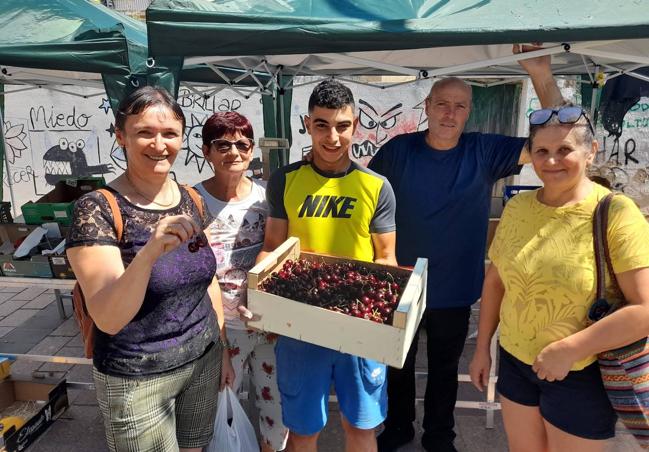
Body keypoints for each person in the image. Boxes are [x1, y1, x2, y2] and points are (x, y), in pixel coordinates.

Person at [368, 44, 564, 452]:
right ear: (427, 106)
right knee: (396, 366)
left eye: (459, 106)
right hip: (399, 284)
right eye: (442, 104)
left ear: (469, 111)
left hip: (455, 289)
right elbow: (365, 209)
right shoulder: (396, 152)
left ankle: (439, 437)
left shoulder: (484, 150)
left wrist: (541, 76)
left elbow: (557, 138)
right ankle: (398, 428)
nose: (449, 114)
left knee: (443, 370)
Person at [469, 104, 649, 451]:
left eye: (564, 150)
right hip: (515, 361)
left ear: (590, 152)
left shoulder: (615, 213)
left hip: (581, 370)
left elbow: (644, 310)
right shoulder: (518, 207)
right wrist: (482, 349)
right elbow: (496, 280)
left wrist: (570, 349)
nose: (551, 161)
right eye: (542, 152)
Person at [66, 86, 234, 452]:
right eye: (145, 132)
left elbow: (208, 282)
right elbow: (109, 318)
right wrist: (149, 253)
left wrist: (221, 346)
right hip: (137, 378)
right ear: (121, 137)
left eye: (170, 134)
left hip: (202, 359)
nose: (159, 144)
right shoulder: (96, 209)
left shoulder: (189, 198)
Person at [241, 79, 397, 452]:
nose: (333, 137)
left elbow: (386, 259)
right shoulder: (285, 180)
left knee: (360, 426)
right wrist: (257, 294)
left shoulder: (377, 186)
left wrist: (388, 319)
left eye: (342, 126)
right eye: (322, 125)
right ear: (308, 125)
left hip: (359, 327)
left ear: (355, 125)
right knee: (303, 430)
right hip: (300, 326)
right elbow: (272, 248)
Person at [195, 111, 289, 452]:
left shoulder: (267, 197)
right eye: (222, 144)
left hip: (268, 326)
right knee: (220, 411)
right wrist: (218, 341)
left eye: (242, 144)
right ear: (206, 151)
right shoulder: (192, 201)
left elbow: (281, 253)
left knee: (277, 412)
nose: (233, 152)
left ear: (251, 150)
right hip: (220, 329)